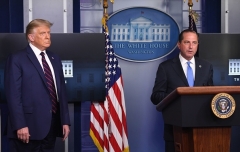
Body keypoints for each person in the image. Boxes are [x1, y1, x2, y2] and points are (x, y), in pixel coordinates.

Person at [4, 19, 71, 152]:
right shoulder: (17, 59)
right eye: (43, 33)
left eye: (48, 33)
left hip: (51, 127)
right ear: (31, 37)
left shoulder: (54, 58)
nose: (48, 36)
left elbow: (61, 91)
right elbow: (13, 95)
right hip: (27, 128)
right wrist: (20, 125)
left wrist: (65, 121)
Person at [150, 29, 213, 152]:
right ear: (179, 45)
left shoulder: (206, 66)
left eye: (194, 43)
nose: (191, 46)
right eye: (187, 42)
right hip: (175, 130)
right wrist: (177, 97)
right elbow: (155, 96)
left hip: (202, 128)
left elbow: (210, 94)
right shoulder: (166, 67)